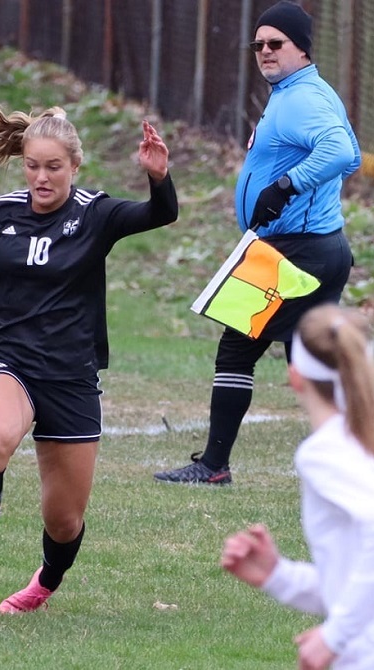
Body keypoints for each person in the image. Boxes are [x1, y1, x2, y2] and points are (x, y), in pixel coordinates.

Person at [0, 98, 177, 613]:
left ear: (75, 166)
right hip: (7, 361)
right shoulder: (0, 212)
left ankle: (44, 585)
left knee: (65, 520)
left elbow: (160, 214)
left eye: (54, 167)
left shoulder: (97, 214)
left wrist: (158, 177)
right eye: (33, 166)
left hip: (72, 378)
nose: (41, 177)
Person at [154, 0, 361, 485]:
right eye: (259, 44)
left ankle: (213, 466)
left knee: (238, 348)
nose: (265, 51)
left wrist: (287, 186)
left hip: (296, 249)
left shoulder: (303, 98)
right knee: (307, 358)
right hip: (307, 246)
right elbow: (343, 150)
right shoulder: (297, 92)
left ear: (303, 49)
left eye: (277, 44)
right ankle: (350, 456)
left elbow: (342, 151)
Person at [221, 304, 374, 670]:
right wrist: (281, 577)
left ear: (295, 377)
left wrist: (334, 637)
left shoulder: (327, 452)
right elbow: (351, 579)